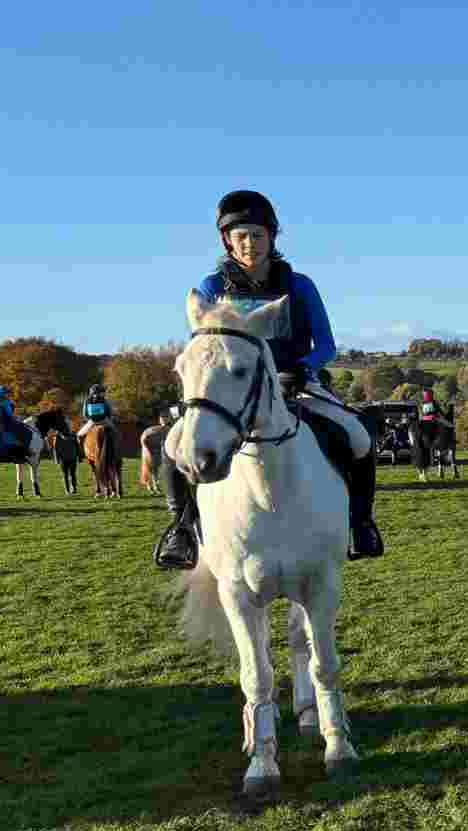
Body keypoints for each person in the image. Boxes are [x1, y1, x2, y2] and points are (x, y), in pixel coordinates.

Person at [156, 189, 383, 570]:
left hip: (297, 383)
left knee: (358, 436)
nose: (250, 243)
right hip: (234, 390)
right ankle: (180, 529)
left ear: (272, 237)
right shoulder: (212, 287)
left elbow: (326, 345)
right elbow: (206, 348)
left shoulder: (300, 285)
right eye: (241, 236)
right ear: (228, 241)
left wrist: (302, 369)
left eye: (258, 235)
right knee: (172, 444)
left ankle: (360, 524)